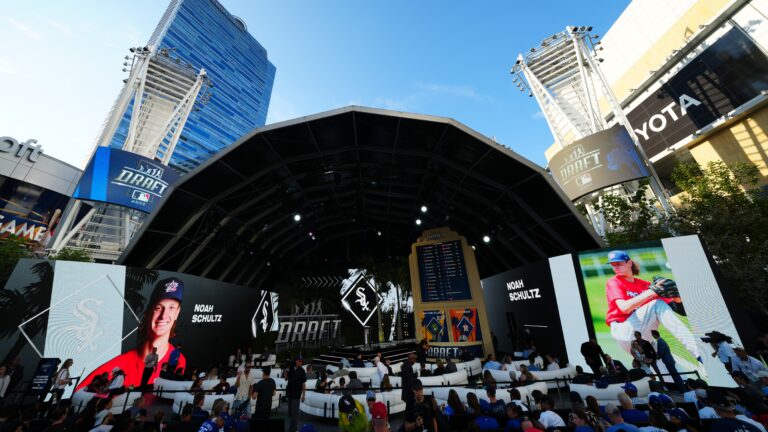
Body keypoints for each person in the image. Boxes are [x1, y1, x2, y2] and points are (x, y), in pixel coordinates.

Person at [76, 278, 187, 391]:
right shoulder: (117, 366)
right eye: (158, 308)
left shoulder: (178, 361)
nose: (163, 315)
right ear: (149, 310)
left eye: (171, 308)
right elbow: (79, 395)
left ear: (177, 313)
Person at [604, 251, 701, 363]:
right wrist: (653, 291)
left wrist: (676, 297)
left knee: (669, 372)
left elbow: (681, 311)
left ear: (629, 263)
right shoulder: (614, 282)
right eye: (613, 264)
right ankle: (698, 353)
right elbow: (625, 308)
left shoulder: (645, 285)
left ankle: (702, 361)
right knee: (657, 303)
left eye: (619, 263)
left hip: (644, 337)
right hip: (623, 329)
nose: (616, 267)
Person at [287, 355, 307, 432]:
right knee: (290, 413)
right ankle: (292, 428)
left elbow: (303, 384)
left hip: (296, 395)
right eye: (299, 361)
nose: (301, 362)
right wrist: (286, 369)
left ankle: (294, 429)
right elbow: (286, 378)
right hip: (290, 394)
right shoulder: (291, 368)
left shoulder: (302, 371)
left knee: (294, 413)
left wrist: (303, 395)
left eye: (301, 361)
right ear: (296, 361)